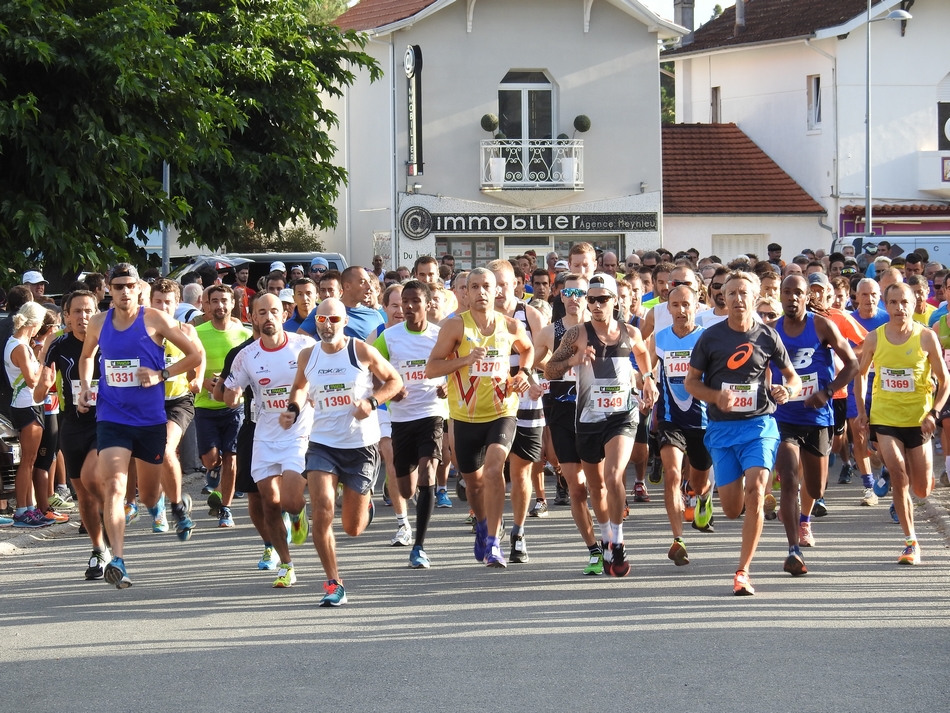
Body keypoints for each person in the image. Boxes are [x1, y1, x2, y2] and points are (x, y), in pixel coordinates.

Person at [77, 264, 201, 588]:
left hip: (149, 420)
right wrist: (87, 384)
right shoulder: (98, 322)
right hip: (112, 417)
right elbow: (87, 355)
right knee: (116, 487)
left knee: (147, 496)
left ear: (138, 288)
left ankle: (165, 503)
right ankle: (117, 559)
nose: (125, 292)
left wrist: (162, 375)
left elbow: (195, 354)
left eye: (130, 286)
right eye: (118, 286)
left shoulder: (154, 320)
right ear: (108, 289)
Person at [685, 270, 801, 596]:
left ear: (755, 297)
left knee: (757, 488)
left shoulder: (767, 336)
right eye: (731, 293)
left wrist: (786, 391)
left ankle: (743, 572)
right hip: (721, 428)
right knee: (732, 509)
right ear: (723, 297)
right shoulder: (710, 338)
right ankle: (711, 495)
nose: (737, 298)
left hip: (759, 425)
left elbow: (792, 378)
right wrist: (715, 396)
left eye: (743, 293)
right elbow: (691, 383)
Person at [281, 298, 402, 606]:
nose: (327, 325)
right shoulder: (308, 355)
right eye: (321, 320)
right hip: (322, 443)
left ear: (344, 321)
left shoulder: (360, 350)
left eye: (333, 319)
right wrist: (293, 408)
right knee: (322, 509)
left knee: (353, 528)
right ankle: (334, 583)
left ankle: (365, 507)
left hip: (360, 446)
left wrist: (371, 403)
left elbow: (393, 380)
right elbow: (299, 387)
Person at [544, 274, 656, 577]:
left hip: (621, 415)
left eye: (602, 299)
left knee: (614, 474)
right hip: (587, 418)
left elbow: (644, 355)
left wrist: (647, 380)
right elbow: (550, 369)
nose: (595, 305)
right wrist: (573, 360)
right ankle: (606, 538)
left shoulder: (630, 332)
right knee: (595, 487)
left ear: (614, 301)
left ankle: (617, 541)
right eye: (591, 299)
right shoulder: (576, 335)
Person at [425, 268, 533, 568]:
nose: (481, 292)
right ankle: (484, 526)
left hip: (502, 411)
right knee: (472, 484)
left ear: (497, 289)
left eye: (487, 286)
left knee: (495, 468)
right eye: (475, 287)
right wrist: (464, 360)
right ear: (466, 292)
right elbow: (431, 369)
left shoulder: (510, 325)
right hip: (464, 417)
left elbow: (528, 349)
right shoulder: (455, 327)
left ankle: (495, 543)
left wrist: (522, 373)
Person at [222, 294, 315, 587]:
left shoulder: (304, 346)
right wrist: (232, 396)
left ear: (284, 314)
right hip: (264, 434)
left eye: (274, 311)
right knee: (269, 503)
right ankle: (286, 564)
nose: (269, 317)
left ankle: (298, 513)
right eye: (262, 312)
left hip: (299, 431)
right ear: (253, 318)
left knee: (289, 500)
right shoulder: (246, 356)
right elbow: (228, 394)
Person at [854, 283, 949, 566]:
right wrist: (862, 411)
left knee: (921, 489)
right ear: (887, 305)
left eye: (904, 302)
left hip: (918, 420)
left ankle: (916, 476)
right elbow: (860, 375)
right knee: (898, 474)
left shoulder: (926, 337)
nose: (899, 308)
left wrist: (934, 412)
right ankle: (911, 542)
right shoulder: (875, 338)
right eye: (893, 303)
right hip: (884, 418)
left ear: (913, 302)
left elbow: (945, 381)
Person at [772, 275, 857, 575]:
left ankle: (803, 517)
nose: (792, 298)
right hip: (784, 418)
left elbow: (853, 365)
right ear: (779, 296)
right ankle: (793, 549)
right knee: (790, 476)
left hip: (818, 418)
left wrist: (827, 391)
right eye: (787, 292)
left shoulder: (821, 326)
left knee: (816, 486)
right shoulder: (771, 332)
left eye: (798, 293)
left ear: (808, 297)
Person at [35, 291, 113, 572]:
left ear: (98, 313)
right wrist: (44, 383)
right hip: (73, 424)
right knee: (83, 494)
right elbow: (38, 394)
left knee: (93, 476)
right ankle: (98, 549)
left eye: (88, 310)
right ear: (66, 316)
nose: (83, 317)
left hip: (105, 422)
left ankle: (111, 517)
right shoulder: (58, 346)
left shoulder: (110, 341)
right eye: (77, 311)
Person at [374, 281, 447, 569]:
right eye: (405, 301)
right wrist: (390, 388)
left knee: (429, 471)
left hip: (431, 413)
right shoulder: (389, 337)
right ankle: (410, 488)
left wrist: (446, 386)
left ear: (427, 304)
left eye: (415, 300)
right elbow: (371, 371)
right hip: (401, 418)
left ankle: (419, 546)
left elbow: (454, 368)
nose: (408, 306)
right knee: (405, 489)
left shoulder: (439, 335)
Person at [536, 275, 604, 573]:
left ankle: (612, 538)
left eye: (582, 293)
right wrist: (565, 365)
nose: (575, 297)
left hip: (598, 409)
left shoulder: (605, 329)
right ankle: (593, 550)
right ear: (561, 296)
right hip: (562, 408)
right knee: (577, 488)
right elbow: (537, 364)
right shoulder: (552, 330)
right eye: (569, 292)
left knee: (600, 485)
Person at [487, 259, 548, 563]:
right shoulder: (476, 319)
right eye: (491, 284)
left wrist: (535, 379)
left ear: (517, 285)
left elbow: (542, 357)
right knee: (493, 468)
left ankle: (519, 532)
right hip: (490, 405)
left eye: (503, 284)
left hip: (526, 404)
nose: (497, 290)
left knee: (520, 472)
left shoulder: (531, 315)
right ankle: (493, 534)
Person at [649, 284, 713, 567]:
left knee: (698, 482)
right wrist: (645, 382)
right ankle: (678, 539)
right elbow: (643, 368)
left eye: (686, 304)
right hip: (670, 419)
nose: (680, 310)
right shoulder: (659, 338)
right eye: (675, 305)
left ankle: (702, 496)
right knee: (672, 474)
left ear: (696, 306)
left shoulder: (707, 339)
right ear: (668, 308)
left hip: (702, 420)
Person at [193, 285, 252, 527]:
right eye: (214, 301)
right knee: (211, 459)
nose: (220, 306)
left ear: (232, 303)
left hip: (235, 407)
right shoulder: (197, 332)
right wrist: (202, 381)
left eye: (224, 301)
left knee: (232, 456)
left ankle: (226, 509)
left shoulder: (244, 335)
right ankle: (213, 471)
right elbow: (189, 368)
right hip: (205, 406)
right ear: (206, 305)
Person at [149, 279, 203, 540]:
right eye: (157, 301)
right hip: (147, 403)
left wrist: (198, 379)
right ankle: (163, 500)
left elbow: (198, 357)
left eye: (167, 302)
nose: (162, 306)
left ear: (176, 304)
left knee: (165, 448)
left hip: (177, 401)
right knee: (151, 458)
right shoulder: (143, 332)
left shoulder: (185, 330)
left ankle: (177, 509)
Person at [5, 302, 51, 528]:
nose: (40, 328)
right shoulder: (21, 347)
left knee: (29, 460)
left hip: (26, 403)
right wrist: (42, 361)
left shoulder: (17, 344)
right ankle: (23, 511)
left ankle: (29, 508)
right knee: (27, 461)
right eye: (40, 324)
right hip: (27, 405)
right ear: (33, 324)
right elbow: (32, 380)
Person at [299, 267, 383, 341]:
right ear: (347, 286)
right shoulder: (324, 311)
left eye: (368, 282)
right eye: (362, 282)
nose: (368, 286)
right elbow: (300, 341)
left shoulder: (375, 315)